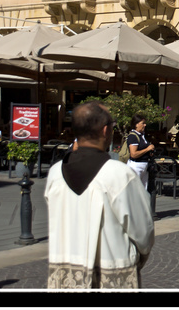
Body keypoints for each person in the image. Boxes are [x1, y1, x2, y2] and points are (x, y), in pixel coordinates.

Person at [45, 101, 154, 289]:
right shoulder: (120, 175)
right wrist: (138, 256)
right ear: (106, 131)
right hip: (112, 271)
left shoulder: (55, 174)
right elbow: (143, 232)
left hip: (66, 271)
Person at [124, 115, 154, 189]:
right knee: (135, 190)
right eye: (143, 123)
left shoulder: (142, 135)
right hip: (136, 166)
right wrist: (147, 149)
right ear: (136, 124)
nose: (145, 125)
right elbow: (133, 154)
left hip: (144, 166)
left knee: (143, 190)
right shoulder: (133, 137)